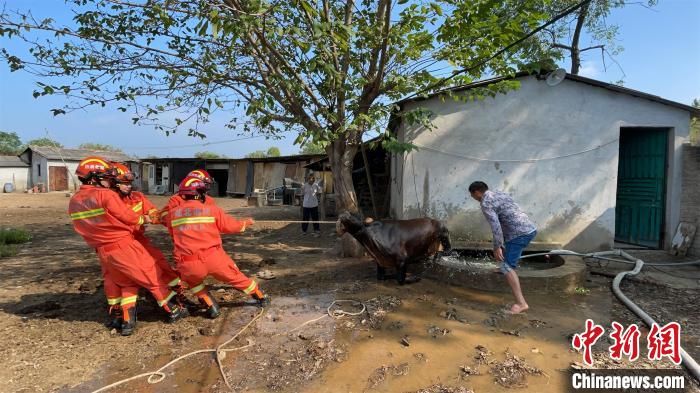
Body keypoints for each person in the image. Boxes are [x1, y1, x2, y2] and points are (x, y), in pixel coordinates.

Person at [68, 156, 188, 336]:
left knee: (124, 282)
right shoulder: (105, 195)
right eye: (107, 178)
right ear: (94, 178)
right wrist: (144, 219)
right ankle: (173, 310)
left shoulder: (75, 201)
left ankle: (126, 321)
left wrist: (161, 217)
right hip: (124, 244)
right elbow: (126, 216)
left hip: (103, 250)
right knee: (152, 275)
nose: (109, 181)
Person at [161, 176, 270, 318]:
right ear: (200, 193)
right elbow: (230, 227)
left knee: (194, 283)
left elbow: (173, 234)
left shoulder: (172, 215)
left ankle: (211, 306)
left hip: (188, 263)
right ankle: (261, 297)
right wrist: (246, 223)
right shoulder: (212, 210)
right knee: (236, 277)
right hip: (213, 259)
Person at [110, 162, 194, 308]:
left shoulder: (137, 197)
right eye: (124, 183)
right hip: (122, 245)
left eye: (129, 183)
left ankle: (178, 294)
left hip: (139, 240)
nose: (128, 186)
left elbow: (153, 213)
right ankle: (120, 312)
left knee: (161, 263)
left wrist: (171, 221)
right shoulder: (108, 203)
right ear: (113, 183)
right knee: (130, 276)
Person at [469, 181, 537, 314]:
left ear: (477, 192)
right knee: (507, 247)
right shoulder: (499, 193)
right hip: (530, 229)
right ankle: (504, 266)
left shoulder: (485, 203)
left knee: (507, 267)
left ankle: (521, 303)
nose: (473, 198)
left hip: (518, 234)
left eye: (472, 195)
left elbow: (496, 227)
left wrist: (497, 247)